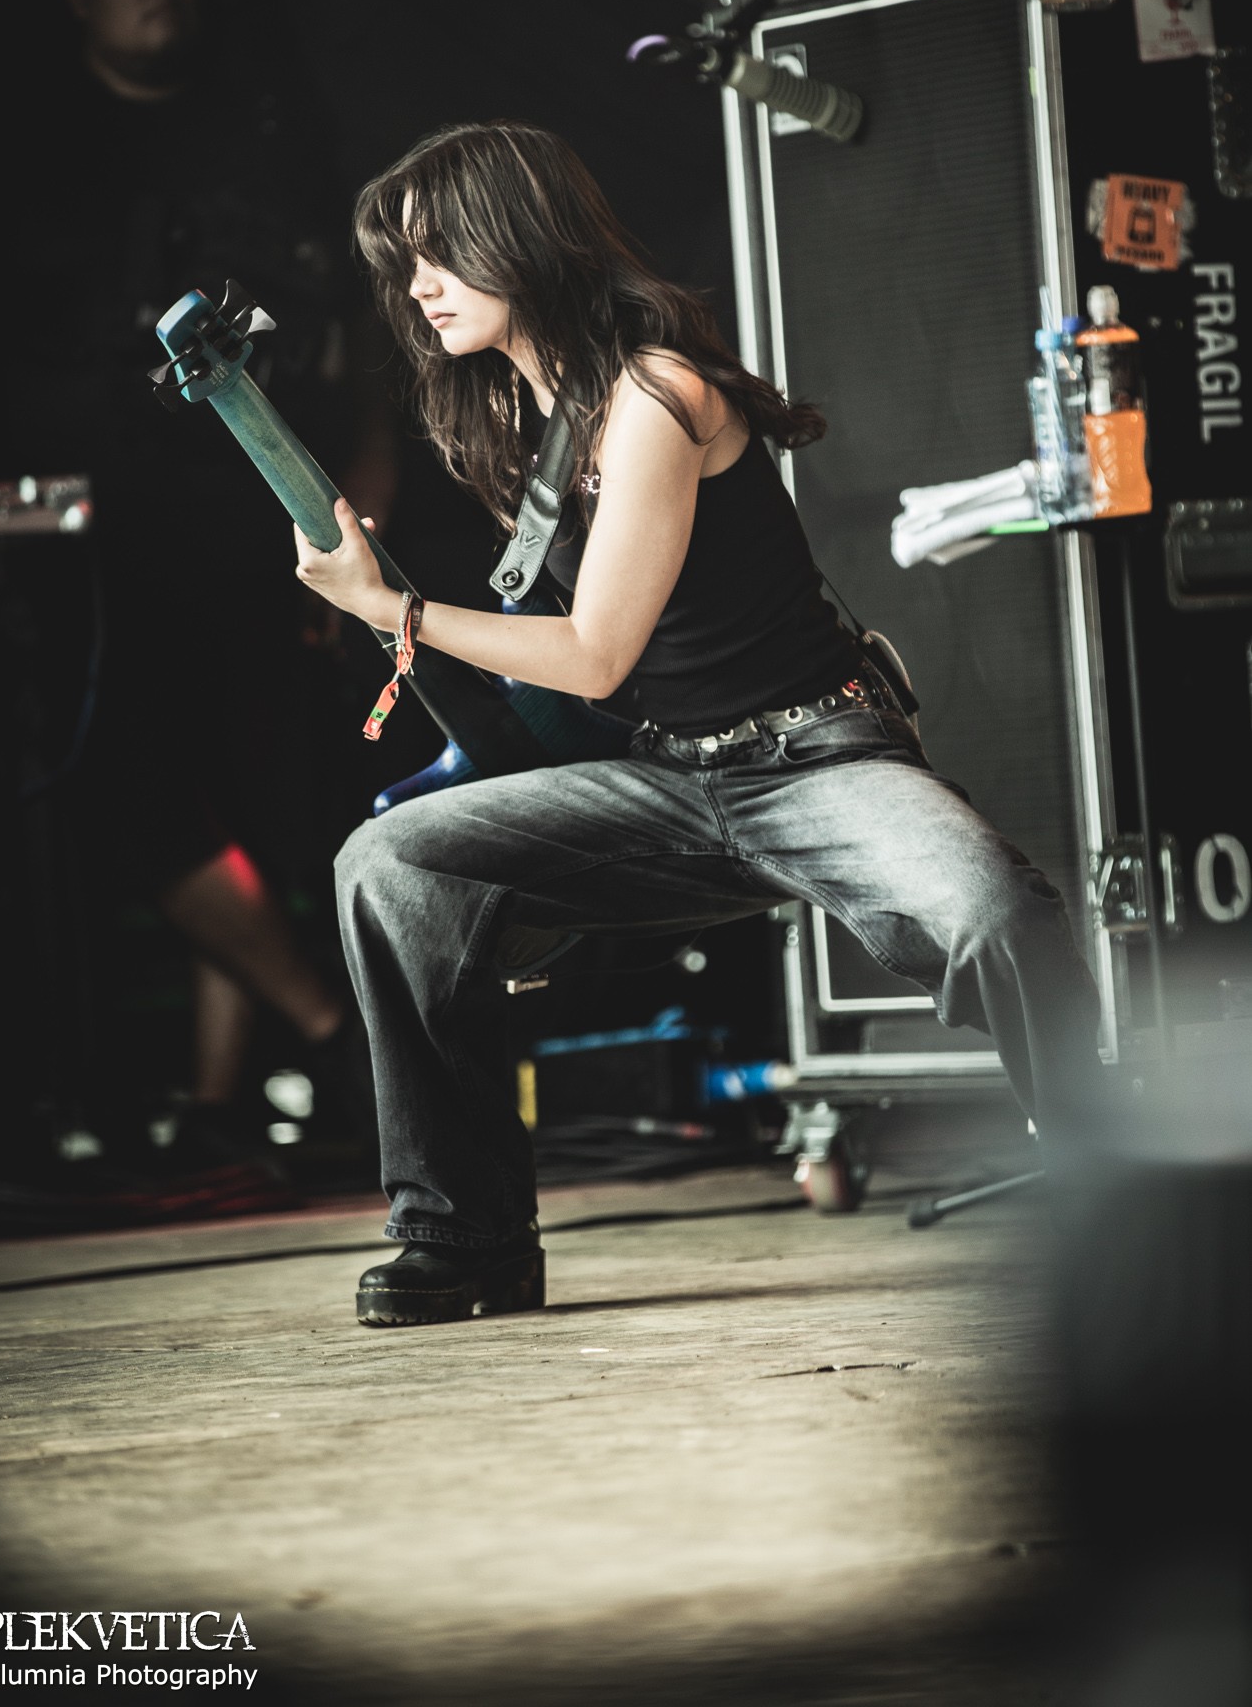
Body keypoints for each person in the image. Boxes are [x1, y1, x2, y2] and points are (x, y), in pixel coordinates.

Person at [292, 120, 1108, 1326]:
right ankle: (465, 1240)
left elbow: (594, 650)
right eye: (402, 264)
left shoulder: (652, 393)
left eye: (438, 252)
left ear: (516, 237)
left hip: (817, 760)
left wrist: (391, 610)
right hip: (671, 782)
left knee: (988, 909)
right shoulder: (528, 415)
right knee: (391, 863)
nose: (417, 287)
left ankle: (1116, 1189)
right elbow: (586, 680)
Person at [0, 0, 378, 1175]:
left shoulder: (264, 122)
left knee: (255, 795)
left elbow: (352, 337)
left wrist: (347, 509)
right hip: (95, 537)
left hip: (254, 516)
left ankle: (218, 1104)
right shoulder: (29, 153)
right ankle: (334, 1038)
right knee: (133, 800)